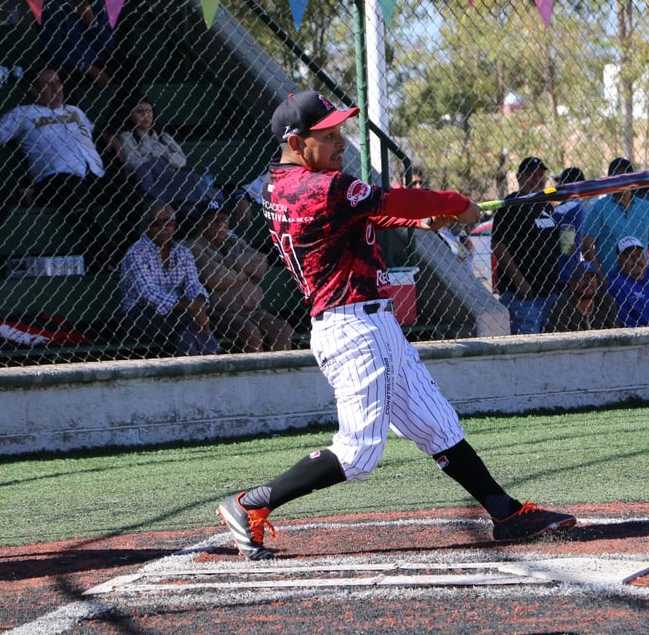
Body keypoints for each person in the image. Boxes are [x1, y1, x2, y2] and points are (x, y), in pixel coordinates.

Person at [215, 91, 575, 560]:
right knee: (358, 454)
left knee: (436, 425)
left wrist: (424, 220)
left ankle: (504, 512)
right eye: (329, 136)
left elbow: (358, 213)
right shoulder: (320, 187)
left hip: (367, 323)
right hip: (353, 328)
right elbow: (388, 198)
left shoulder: (281, 183)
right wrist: (456, 202)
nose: (341, 142)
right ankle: (250, 505)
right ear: (297, 142)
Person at [0, 66, 112, 270]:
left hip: (95, 175)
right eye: (48, 84)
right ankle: (104, 249)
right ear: (35, 91)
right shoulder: (24, 113)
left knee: (129, 189)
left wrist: (110, 136)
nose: (56, 87)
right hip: (55, 181)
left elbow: (96, 134)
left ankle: (127, 247)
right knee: (70, 187)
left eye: (58, 82)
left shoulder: (75, 111)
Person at [188, 201, 294, 353]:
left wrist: (230, 263)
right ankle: (256, 376)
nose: (220, 224)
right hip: (220, 312)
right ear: (201, 223)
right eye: (213, 220)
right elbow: (215, 278)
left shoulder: (235, 242)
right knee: (251, 333)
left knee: (283, 329)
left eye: (223, 220)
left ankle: (279, 376)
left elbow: (261, 262)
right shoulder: (194, 247)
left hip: (252, 309)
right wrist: (246, 272)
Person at [119, 201, 222, 356]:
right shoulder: (135, 253)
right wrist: (192, 309)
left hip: (180, 313)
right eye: (156, 224)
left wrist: (199, 305)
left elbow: (193, 284)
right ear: (146, 225)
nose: (163, 228)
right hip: (141, 315)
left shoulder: (183, 252)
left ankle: (192, 364)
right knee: (189, 322)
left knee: (185, 329)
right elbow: (149, 294)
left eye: (169, 223)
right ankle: (214, 361)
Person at [109, 91, 222, 226]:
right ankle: (214, 205)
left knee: (192, 190)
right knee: (193, 180)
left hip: (170, 178)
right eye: (140, 112)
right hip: (148, 181)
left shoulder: (163, 136)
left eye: (149, 111)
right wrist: (164, 155)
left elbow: (181, 160)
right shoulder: (127, 137)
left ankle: (210, 210)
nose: (146, 115)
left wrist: (152, 155)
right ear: (131, 115)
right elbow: (133, 162)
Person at [491, 156, 560, 334]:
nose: (536, 179)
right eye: (530, 174)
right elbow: (498, 245)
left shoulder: (547, 206)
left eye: (540, 175)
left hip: (550, 293)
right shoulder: (511, 205)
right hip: (522, 296)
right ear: (519, 177)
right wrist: (519, 280)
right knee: (529, 348)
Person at [38, 0, 119, 90]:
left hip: (98, 61)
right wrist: (86, 67)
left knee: (131, 64)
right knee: (61, 75)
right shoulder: (54, 7)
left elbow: (109, 44)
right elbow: (53, 51)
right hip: (71, 66)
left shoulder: (96, 4)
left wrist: (92, 22)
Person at [583, 157, 649, 277]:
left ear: (633, 178)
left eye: (625, 176)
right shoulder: (599, 208)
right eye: (617, 176)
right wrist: (601, 279)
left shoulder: (646, 208)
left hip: (641, 281)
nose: (622, 181)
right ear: (609, 179)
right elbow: (586, 246)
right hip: (611, 283)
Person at [543, 260, 621, 333]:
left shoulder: (605, 300)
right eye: (583, 278)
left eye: (592, 278)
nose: (589, 283)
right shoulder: (562, 304)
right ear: (571, 284)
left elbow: (615, 332)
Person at [552, 166, 589, 285]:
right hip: (569, 270)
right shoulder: (579, 206)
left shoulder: (570, 207)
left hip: (563, 272)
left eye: (561, 183)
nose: (557, 186)